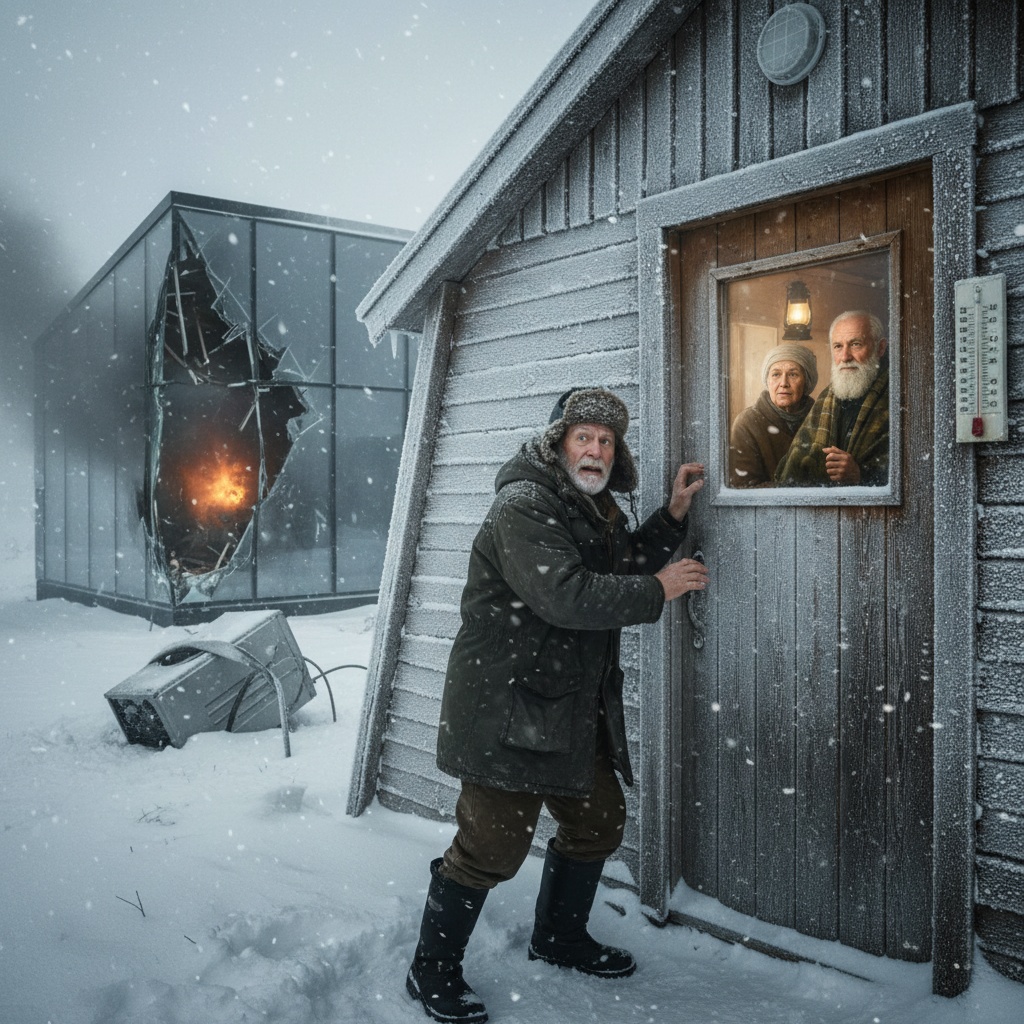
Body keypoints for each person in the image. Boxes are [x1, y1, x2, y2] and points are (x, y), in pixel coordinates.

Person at [406, 386, 709, 1024]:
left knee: (599, 821)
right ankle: (430, 969)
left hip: (570, 707)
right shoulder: (524, 504)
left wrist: (673, 515)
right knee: (490, 847)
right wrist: (657, 590)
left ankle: (560, 937)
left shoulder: (592, 511)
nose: (595, 449)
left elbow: (619, 563)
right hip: (507, 707)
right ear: (558, 442)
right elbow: (566, 595)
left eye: (605, 440)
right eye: (583, 437)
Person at [774, 310, 889, 486]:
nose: (845, 357)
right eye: (838, 346)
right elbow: (795, 465)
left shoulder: (896, 397)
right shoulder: (825, 398)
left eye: (856, 344)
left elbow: (913, 473)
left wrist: (861, 475)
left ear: (880, 348)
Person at [728, 343, 818, 487]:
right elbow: (743, 487)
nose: (783, 383)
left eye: (793, 374)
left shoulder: (820, 418)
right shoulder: (747, 423)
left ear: (806, 381)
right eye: (776, 374)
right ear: (767, 381)